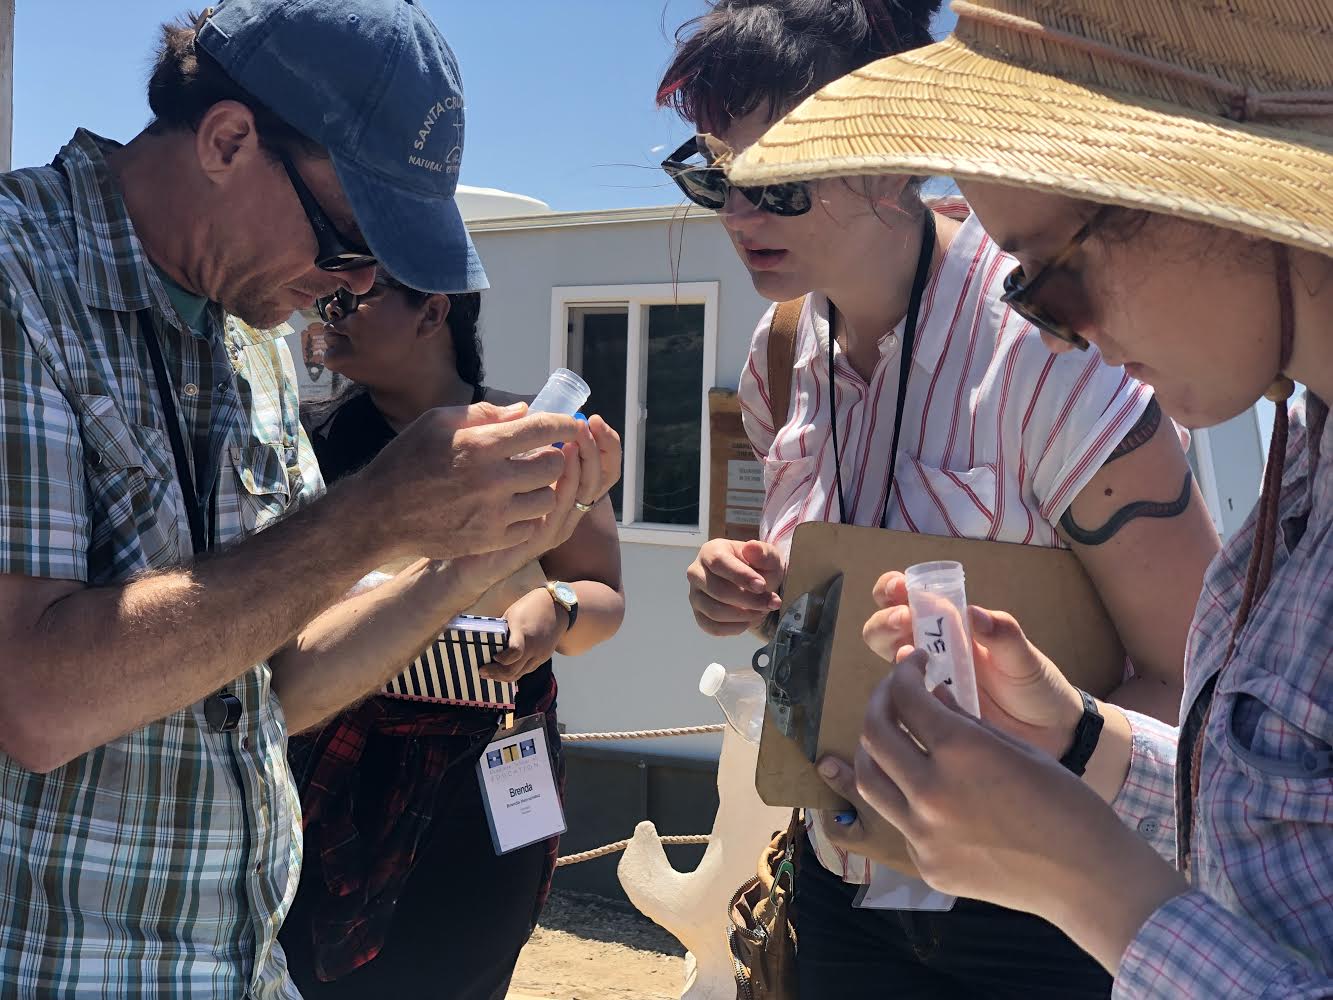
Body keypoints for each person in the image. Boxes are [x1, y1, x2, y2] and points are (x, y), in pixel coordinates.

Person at [0, 3, 619, 996]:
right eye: (345, 240)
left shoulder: (251, 338)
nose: (350, 285)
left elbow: (277, 688)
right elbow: (33, 697)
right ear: (228, 139)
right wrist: (373, 514)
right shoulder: (20, 280)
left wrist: (473, 551)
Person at [729, 0, 1333, 996]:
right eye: (1020, 292)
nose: (1054, 333)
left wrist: (1081, 876)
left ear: (1211, 181)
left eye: (1053, 269)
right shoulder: (1303, 453)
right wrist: (1078, 738)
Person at [278, 273, 626, 999]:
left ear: (432, 312)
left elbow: (603, 599)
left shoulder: (530, 433)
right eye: (325, 298)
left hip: (488, 769)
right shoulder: (305, 439)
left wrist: (554, 607)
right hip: (328, 759)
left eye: (349, 299)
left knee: (459, 970)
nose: (325, 313)